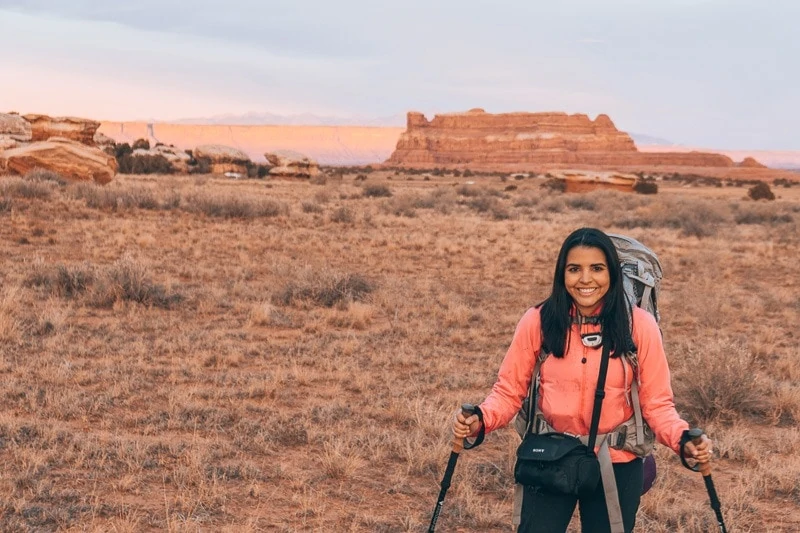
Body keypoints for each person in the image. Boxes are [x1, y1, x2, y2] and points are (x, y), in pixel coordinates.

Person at [452, 227, 712, 533]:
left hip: (617, 463)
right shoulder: (538, 320)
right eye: (574, 269)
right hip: (548, 456)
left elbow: (657, 404)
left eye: (597, 269)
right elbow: (509, 392)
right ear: (562, 274)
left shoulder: (639, 326)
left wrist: (682, 439)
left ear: (612, 273)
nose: (585, 279)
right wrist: (481, 419)